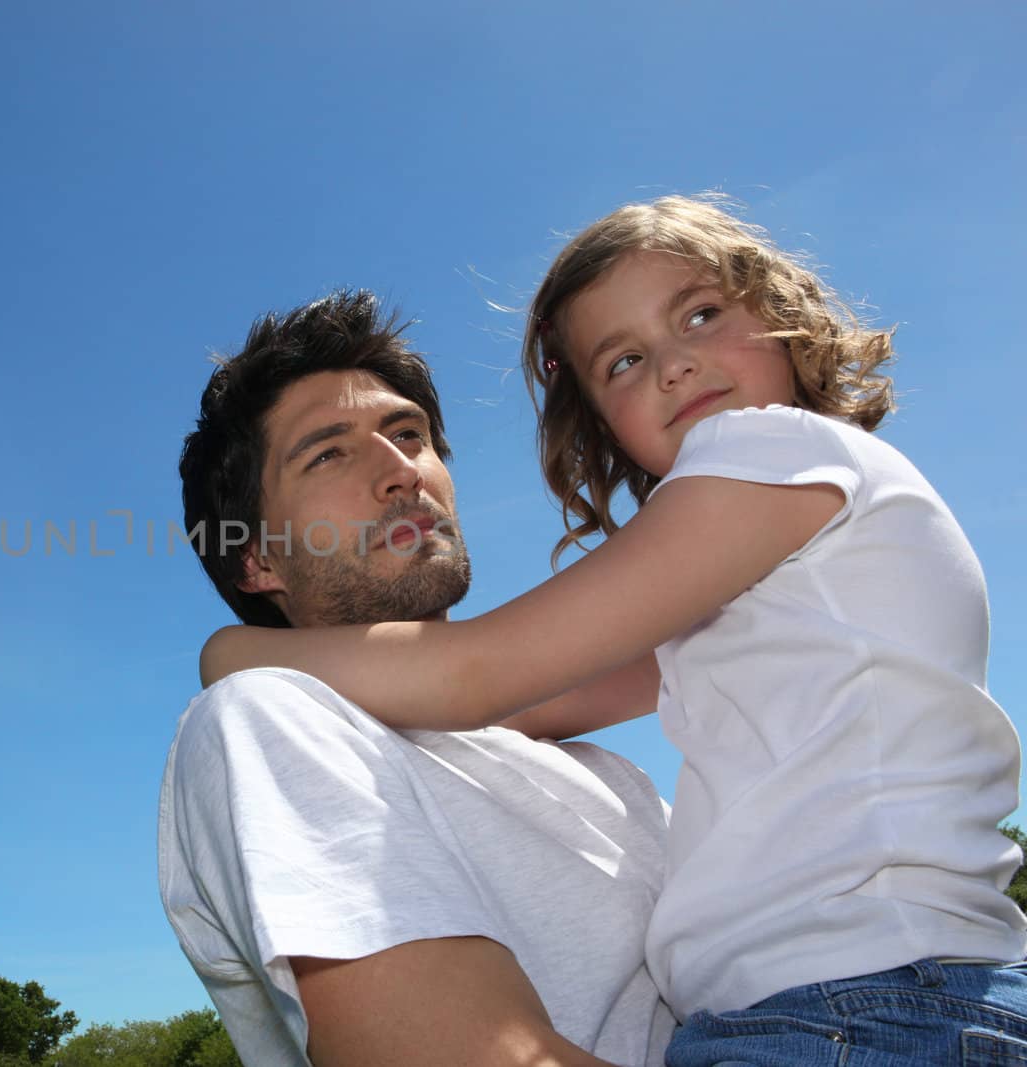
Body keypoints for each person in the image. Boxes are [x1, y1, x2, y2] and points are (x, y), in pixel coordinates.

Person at [202, 197, 1027, 1065]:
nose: (675, 365)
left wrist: (233, 650)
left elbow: (482, 675)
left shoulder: (778, 453)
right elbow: (528, 699)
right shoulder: (752, 587)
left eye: (703, 313)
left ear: (785, 318)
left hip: (873, 1004)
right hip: (852, 1005)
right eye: (625, 360)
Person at [161, 290, 676, 1067]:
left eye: (410, 434)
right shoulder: (266, 720)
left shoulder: (603, 771)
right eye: (328, 452)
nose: (402, 469)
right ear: (257, 558)